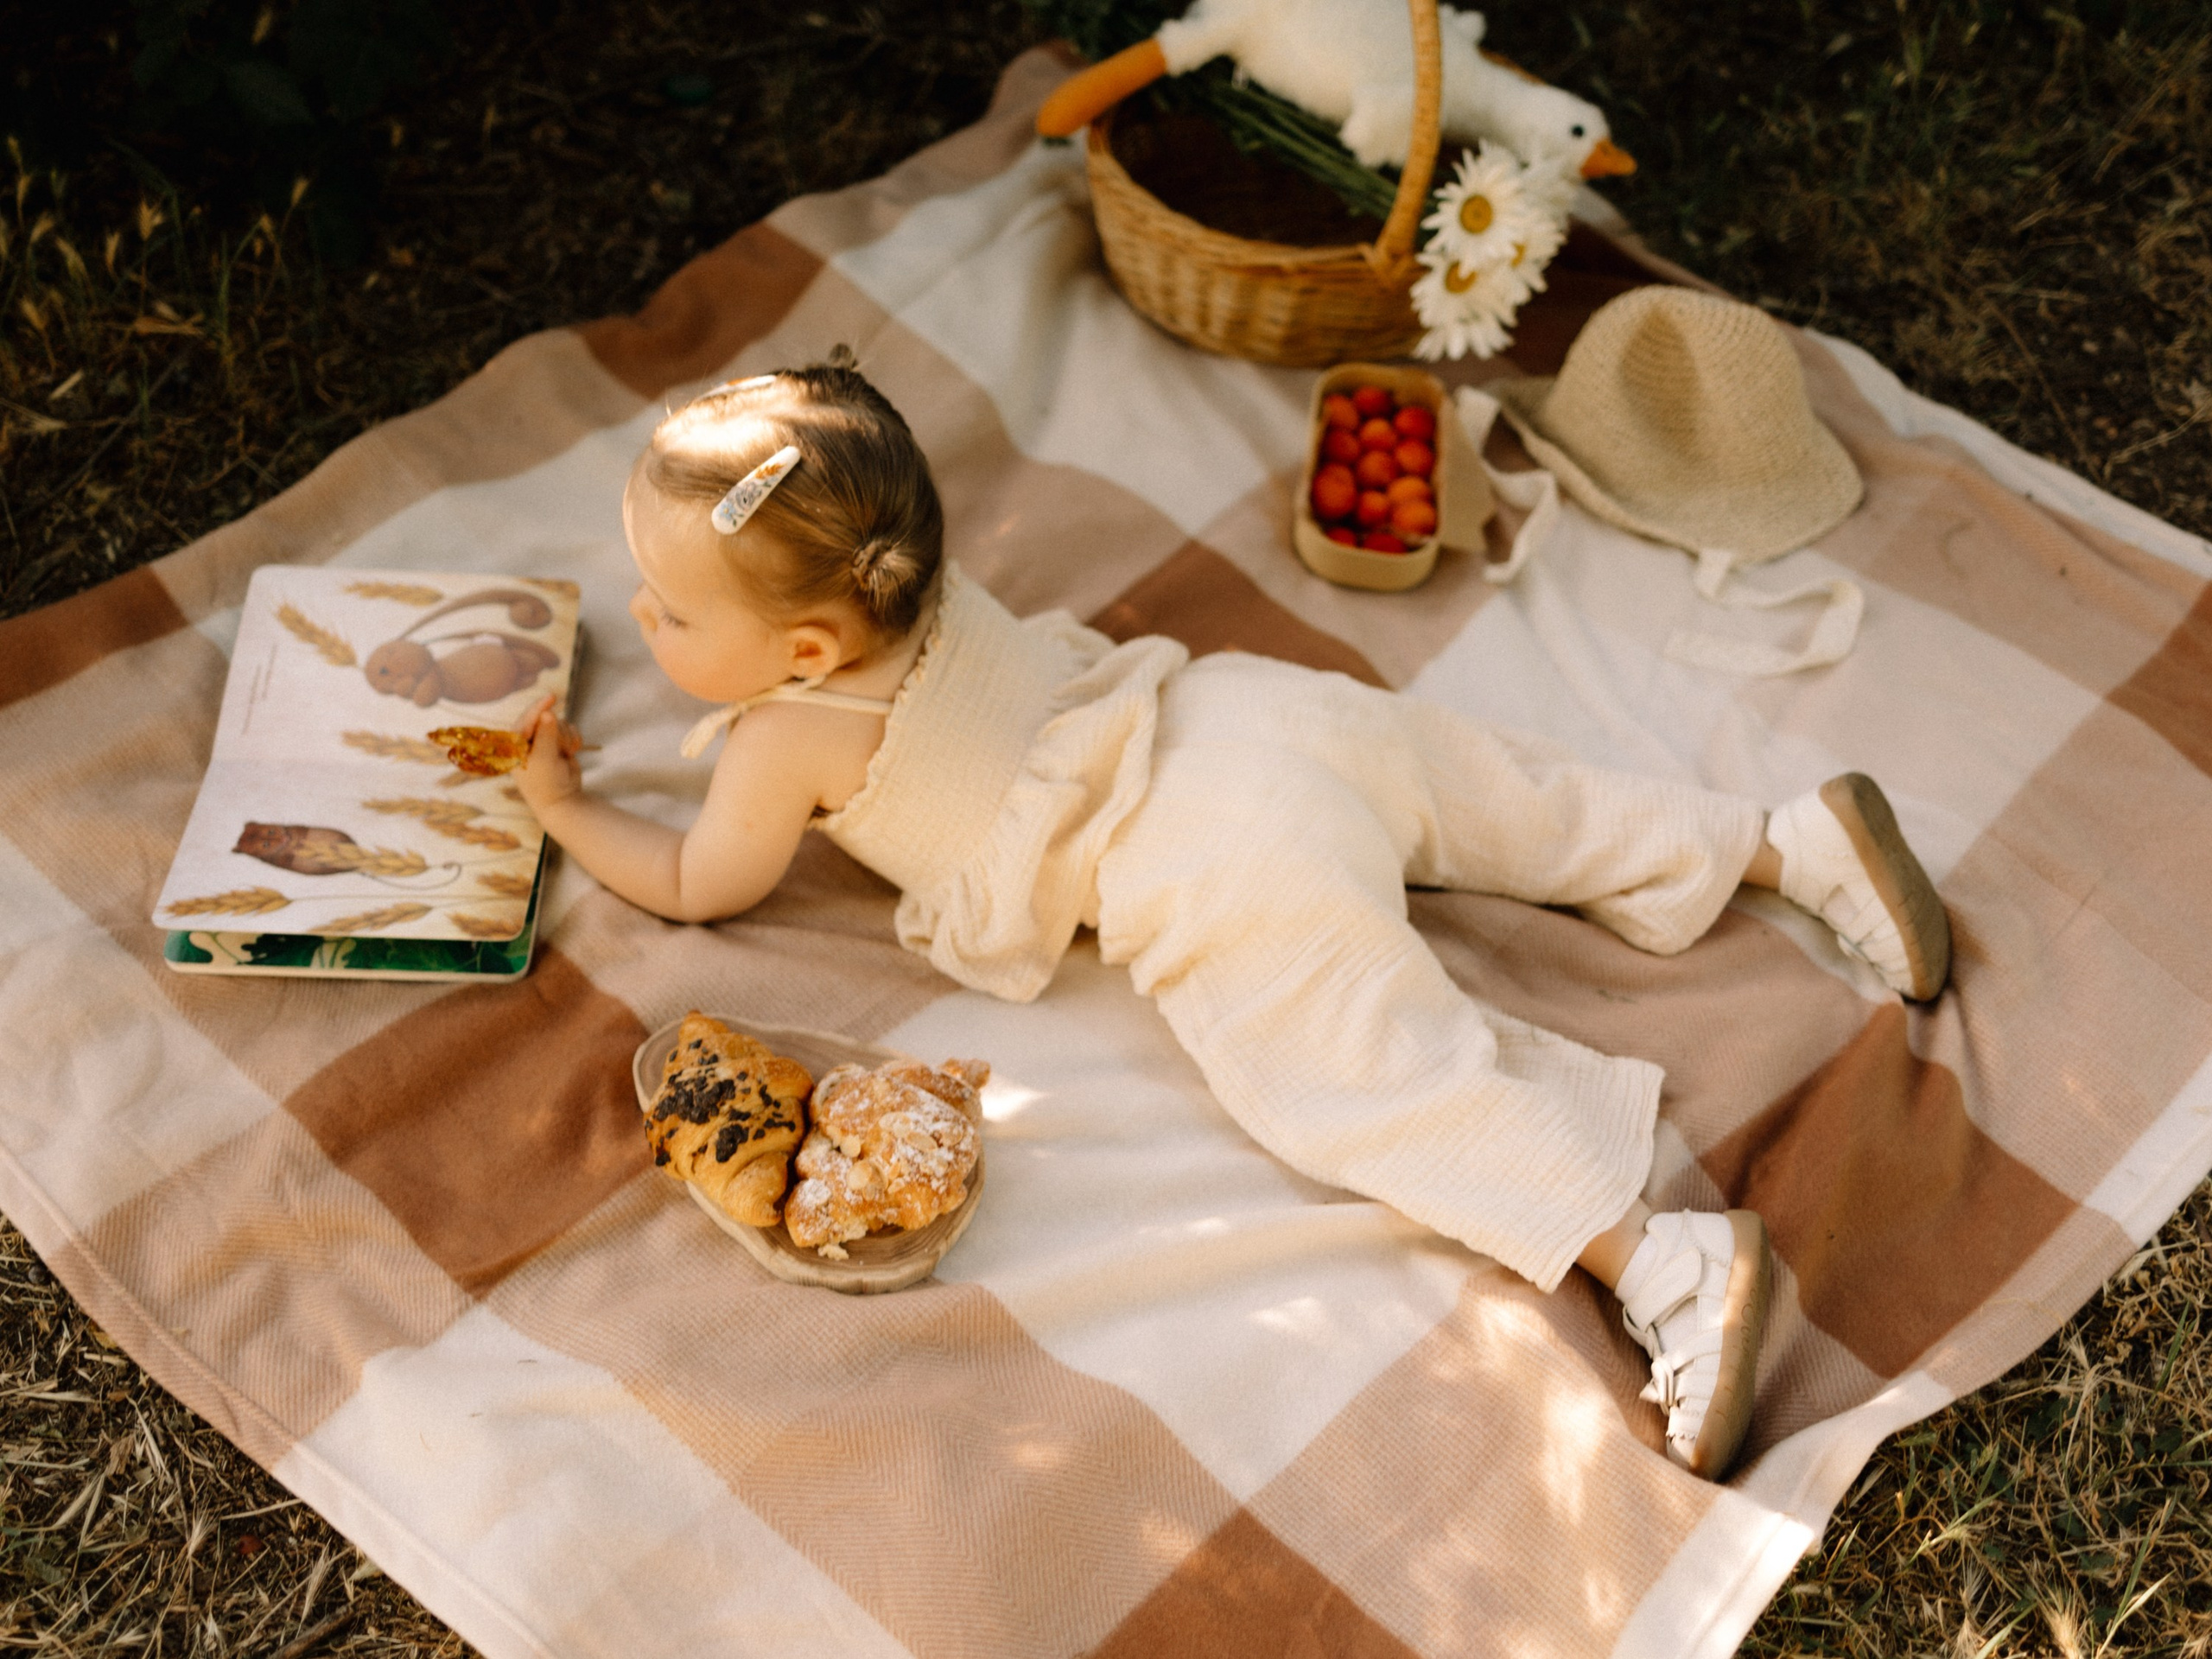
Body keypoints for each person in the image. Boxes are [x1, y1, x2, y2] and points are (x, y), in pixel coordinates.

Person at [518, 352, 1952, 1481]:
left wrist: (572, 815)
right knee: (1498, 796)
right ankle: (1776, 844)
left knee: (1361, 1072)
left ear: (812, 650)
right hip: (1234, 710)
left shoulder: (786, 738)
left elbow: (704, 884)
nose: (644, 629)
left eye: (667, 611)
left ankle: (1664, 1263)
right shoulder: (914, 571)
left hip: (1189, 861)